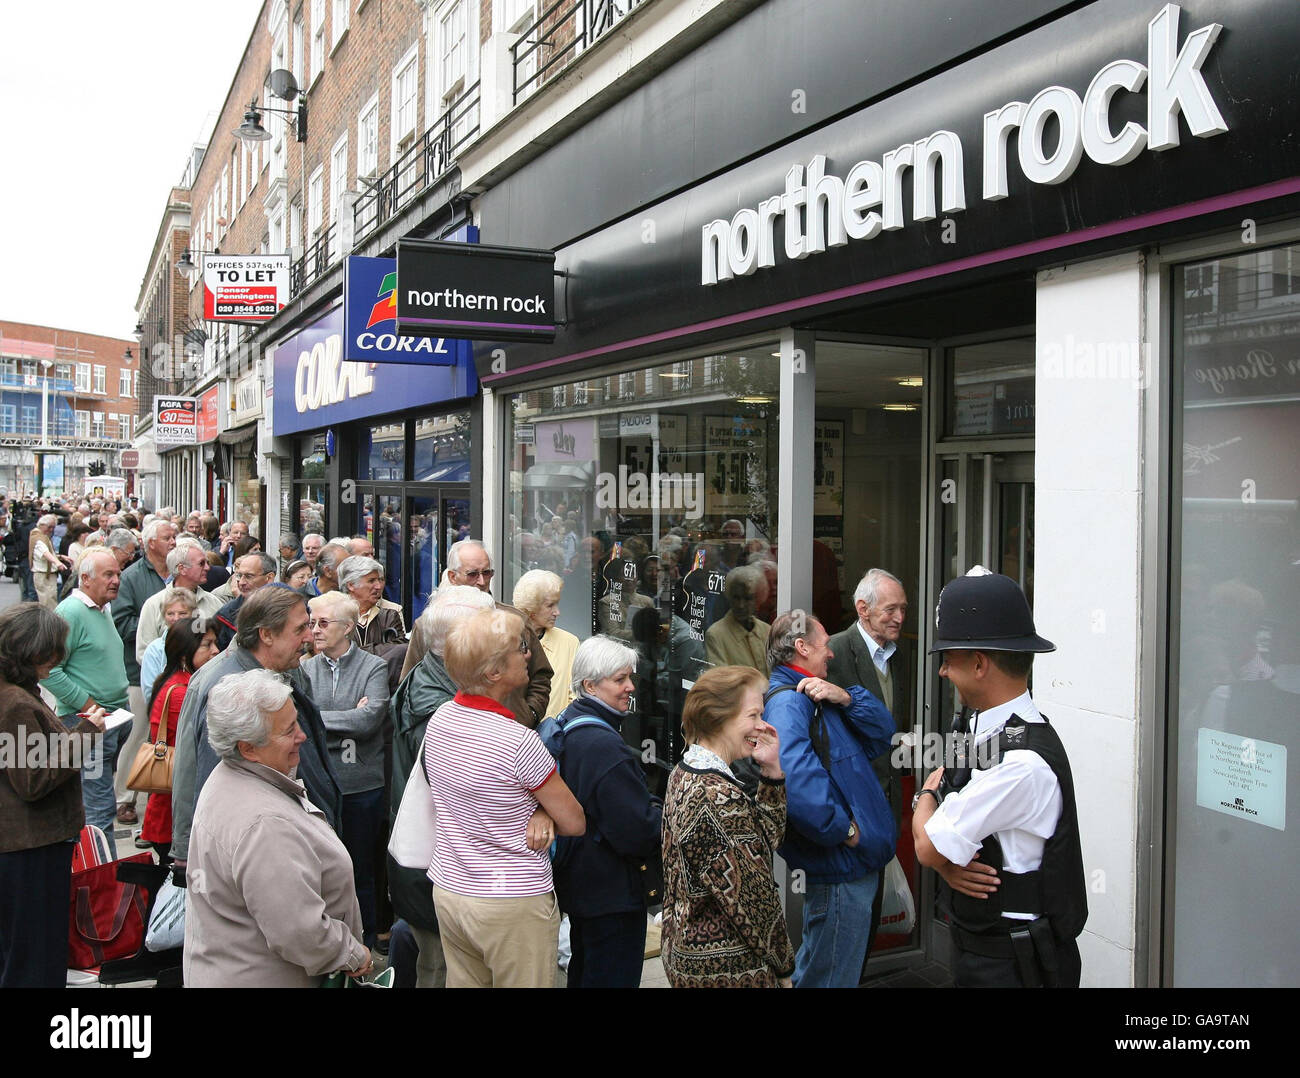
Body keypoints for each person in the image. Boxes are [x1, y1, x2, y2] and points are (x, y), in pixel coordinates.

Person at [911, 569, 1086, 988]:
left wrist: (926, 796)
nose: (943, 672)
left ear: (978, 663)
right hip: (982, 948)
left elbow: (927, 845)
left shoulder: (1021, 764)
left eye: (948, 660)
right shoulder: (977, 726)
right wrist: (946, 855)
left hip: (1011, 964)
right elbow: (946, 794)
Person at [426, 607, 585, 987]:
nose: (528, 654)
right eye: (520, 648)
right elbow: (575, 821)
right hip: (511, 903)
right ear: (494, 672)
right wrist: (544, 811)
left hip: (450, 888)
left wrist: (541, 811)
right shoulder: (519, 742)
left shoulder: (441, 719)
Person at [184, 669, 372, 988]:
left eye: (297, 722)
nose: (302, 736)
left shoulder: (229, 775)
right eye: (288, 730)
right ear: (248, 748)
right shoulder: (263, 823)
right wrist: (352, 955)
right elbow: (299, 930)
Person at [762, 609, 896, 987]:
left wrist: (849, 698)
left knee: (825, 969)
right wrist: (845, 830)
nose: (832, 653)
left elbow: (883, 734)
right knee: (830, 977)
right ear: (801, 647)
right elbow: (796, 781)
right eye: (824, 644)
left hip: (848, 865)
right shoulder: (789, 704)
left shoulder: (819, 696)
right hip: (841, 867)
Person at [170, 585, 343, 868]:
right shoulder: (227, 688)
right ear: (266, 634)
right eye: (300, 629)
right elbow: (212, 785)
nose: (310, 638)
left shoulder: (288, 669)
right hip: (261, 854)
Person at [660, 665, 794, 988]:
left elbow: (764, 841)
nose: (762, 725)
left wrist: (772, 770)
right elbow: (755, 899)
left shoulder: (685, 770)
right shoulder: (715, 795)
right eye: (753, 716)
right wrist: (785, 967)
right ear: (719, 717)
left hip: (691, 958)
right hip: (728, 969)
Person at [388, 585, 494, 988]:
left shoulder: (440, 684)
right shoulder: (437, 708)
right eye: (490, 635)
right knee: (443, 971)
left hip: (438, 871)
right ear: (458, 646)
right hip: (436, 873)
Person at [0, 604, 106, 987]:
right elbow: (32, 779)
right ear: (32, 651)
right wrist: (86, 734)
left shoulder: (16, 694)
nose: (57, 659)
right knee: (33, 958)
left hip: (26, 846)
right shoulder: (14, 702)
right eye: (52, 651)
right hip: (30, 847)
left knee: (22, 952)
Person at [551, 636, 663, 988]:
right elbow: (638, 831)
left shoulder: (570, 722)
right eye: (619, 679)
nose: (630, 687)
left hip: (583, 889)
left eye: (629, 677)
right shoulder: (602, 746)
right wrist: (663, 809)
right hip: (611, 896)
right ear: (589, 685)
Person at [826, 567, 911, 957]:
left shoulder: (898, 655)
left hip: (885, 802)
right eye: (890, 609)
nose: (898, 618)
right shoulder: (837, 651)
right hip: (851, 807)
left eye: (903, 610)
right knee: (846, 923)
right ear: (863, 608)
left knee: (870, 916)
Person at [300, 590, 391, 948]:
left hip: (361, 786)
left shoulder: (374, 667)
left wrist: (320, 720)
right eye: (311, 624)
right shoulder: (305, 668)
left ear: (348, 628)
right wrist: (345, 717)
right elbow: (301, 721)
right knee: (321, 870)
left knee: (361, 870)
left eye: (322, 623)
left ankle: (364, 942)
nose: (315, 631)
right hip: (319, 783)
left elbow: (370, 720)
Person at [401, 539, 553, 728]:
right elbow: (409, 683)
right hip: (453, 738)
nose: (481, 581)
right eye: (472, 574)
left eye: (487, 572)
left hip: (513, 730)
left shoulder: (515, 620)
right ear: (452, 576)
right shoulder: (430, 624)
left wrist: (530, 713)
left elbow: (541, 676)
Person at [39, 550, 131, 858]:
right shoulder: (71, 612)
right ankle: (103, 880)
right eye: (109, 575)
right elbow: (48, 671)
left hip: (109, 721)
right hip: (87, 724)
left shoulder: (101, 609)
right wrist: (89, 705)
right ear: (86, 579)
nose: (116, 580)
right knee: (99, 808)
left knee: (97, 803)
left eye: (117, 573)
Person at [113, 517, 176, 824]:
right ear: (151, 543)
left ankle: (160, 790)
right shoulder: (132, 577)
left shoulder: (176, 576)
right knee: (138, 734)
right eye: (168, 537)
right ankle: (125, 797)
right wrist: (157, 633)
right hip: (139, 671)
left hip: (176, 675)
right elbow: (121, 621)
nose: (173, 542)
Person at [141, 618, 219, 863]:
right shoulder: (182, 693)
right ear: (186, 653)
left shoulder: (176, 682)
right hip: (172, 817)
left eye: (215, 643)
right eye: (207, 645)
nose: (216, 651)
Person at [135, 542, 223, 662]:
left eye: (207, 563)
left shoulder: (214, 602)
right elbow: (143, 654)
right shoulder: (154, 604)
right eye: (201, 563)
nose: (208, 568)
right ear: (182, 569)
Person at [513, 569, 578, 719]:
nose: (557, 612)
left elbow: (575, 696)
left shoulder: (569, 642)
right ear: (531, 609)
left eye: (557, 604)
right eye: (550, 605)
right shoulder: (506, 641)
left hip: (555, 734)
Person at [705, 565, 771, 672]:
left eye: (747, 598)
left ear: (758, 599)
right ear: (729, 597)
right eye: (736, 597)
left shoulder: (767, 631)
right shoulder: (716, 635)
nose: (741, 605)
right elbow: (721, 680)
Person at [338, 555, 406, 649]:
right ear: (351, 585)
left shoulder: (389, 616)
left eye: (380, 580)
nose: (378, 586)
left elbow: (397, 651)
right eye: (371, 581)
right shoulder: (335, 617)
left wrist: (356, 653)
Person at [213, 552, 278, 649]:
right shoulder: (225, 616)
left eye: (249, 576)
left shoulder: (289, 608)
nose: (241, 582)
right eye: (239, 575)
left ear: (269, 578)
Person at [29, 514, 70, 608]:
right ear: (42, 525)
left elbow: (49, 553)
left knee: (51, 601)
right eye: (49, 527)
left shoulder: (43, 536)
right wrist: (57, 562)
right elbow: (45, 553)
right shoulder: (38, 538)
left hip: (46, 574)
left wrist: (61, 557)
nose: (51, 530)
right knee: (48, 603)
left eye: (53, 527)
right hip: (43, 575)